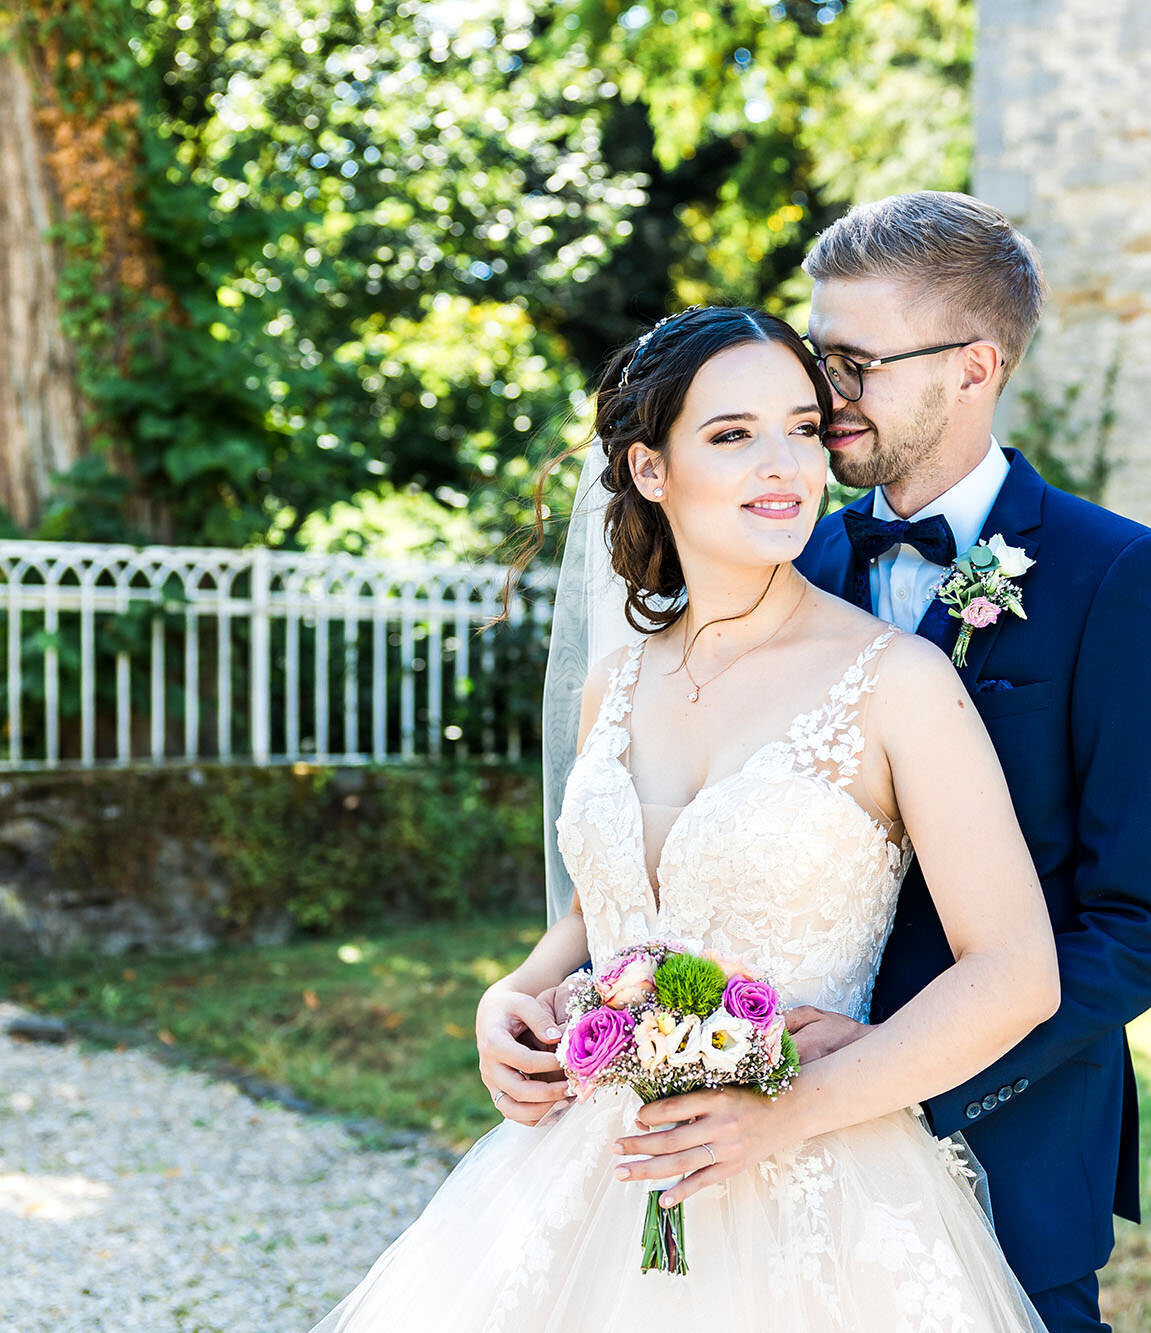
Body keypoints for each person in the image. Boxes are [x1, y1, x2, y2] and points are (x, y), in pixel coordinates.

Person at [312, 305, 1060, 1331]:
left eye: (802, 428)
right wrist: (513, 995)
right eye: (731, 434)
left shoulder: (895, 683)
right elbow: (608, 911)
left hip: (811, 1186)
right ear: (650, 469)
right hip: (585, 1168)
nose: (784, 464)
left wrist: (786, 1113)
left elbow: (1014, 971)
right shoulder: (612, 685)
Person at [676, 191, 1151, 1332]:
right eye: (819, 356)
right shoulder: (786, 552)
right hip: (756, 1144)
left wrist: (904, 1073)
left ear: (972, 367)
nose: (823, 399)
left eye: (854, 362)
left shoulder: (1118, 578)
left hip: (1004, 1141)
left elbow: (1137, 925)